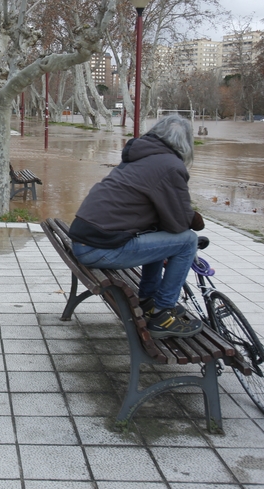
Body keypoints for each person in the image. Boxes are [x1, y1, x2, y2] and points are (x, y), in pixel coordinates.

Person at [68, 114, 205, 339]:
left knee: (158, 232)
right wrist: (196, 220)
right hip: (99, 249)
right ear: (186, 143)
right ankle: (163, 313)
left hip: (85, 240)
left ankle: (148, 300)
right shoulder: (171, 165)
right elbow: (180, 224)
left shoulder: (140, 156)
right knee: (188, 241)